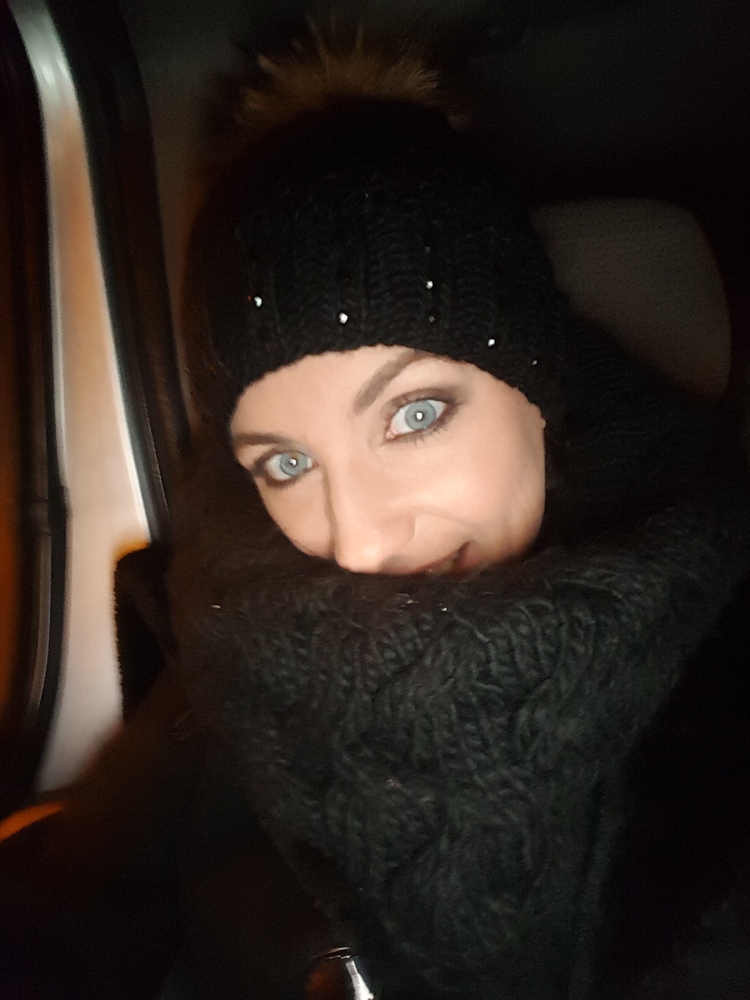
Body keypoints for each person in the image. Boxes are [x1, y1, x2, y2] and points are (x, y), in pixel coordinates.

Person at [1, 30, 750, 1000]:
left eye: (415, 415)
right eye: (285, 462)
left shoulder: (720, 643)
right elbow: (71, 916)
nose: (355, 544)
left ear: (538, 387)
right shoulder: (229, 647)